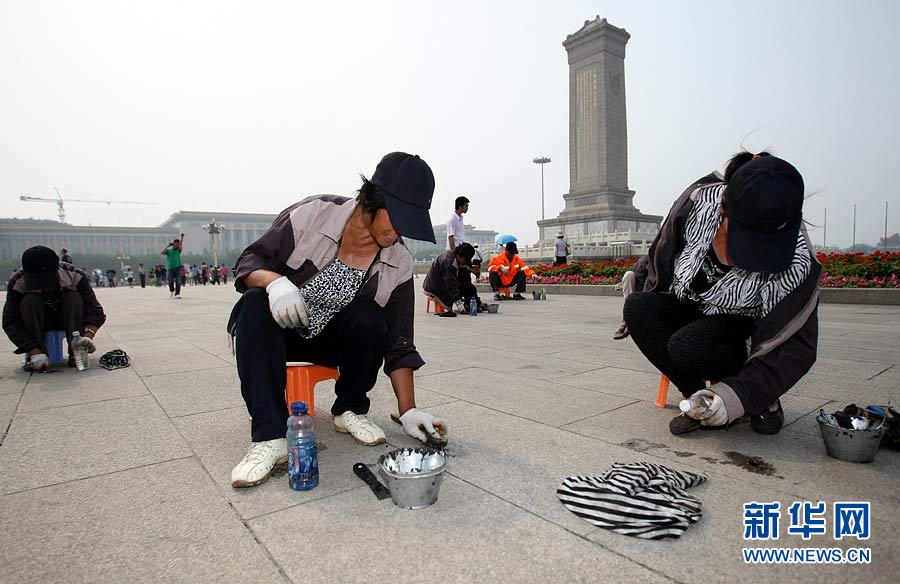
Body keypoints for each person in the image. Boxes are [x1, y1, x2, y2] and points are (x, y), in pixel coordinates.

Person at [227, 152, 448, 488]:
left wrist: (409, 411)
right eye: (399, 219)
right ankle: (270, 438)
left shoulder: (398, 260)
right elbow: (249, 260)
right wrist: (275, 283)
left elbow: (399, 341)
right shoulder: (314, 214)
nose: (402, 233)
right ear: (373, 199)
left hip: (330, 342)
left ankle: (349, 410)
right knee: (254, 303)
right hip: (278, 334)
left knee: (371, 317)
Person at [624, 153, 819, 437]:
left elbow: (794, 345)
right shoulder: (698, 205)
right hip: (691, 304)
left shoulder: (798, 260)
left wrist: (738, 395)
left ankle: (758, 395)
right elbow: (664, 252)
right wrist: (638, 276)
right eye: (749, 241)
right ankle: (699, 401)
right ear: (724, 208)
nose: (757, 255)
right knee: (639, 308)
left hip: (739, 325)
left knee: (688, 345)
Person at [3, 246, 105, 371]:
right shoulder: (17, 282)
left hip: (68, 319)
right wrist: (33, 351)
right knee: (30, 300)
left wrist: (88, 336)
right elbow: (10, 321)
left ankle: (77, 351)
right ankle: (39, 355)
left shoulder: (75, 276)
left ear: (57, 271)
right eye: (37, 283)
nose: (43, 287)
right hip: (37, 321)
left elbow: (96, 311)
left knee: (73, 296)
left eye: (47, 282)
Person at [423, 243, 482, 318]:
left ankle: (470, 305)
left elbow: (461, 269)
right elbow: (451, 283)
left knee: (468, 287)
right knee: (453, 294)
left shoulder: (453, 256)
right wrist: (459, 304)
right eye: (465, 260)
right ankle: (457, 307)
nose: (464, 262)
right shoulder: (450, 262)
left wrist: (470, 269)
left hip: (441, 283)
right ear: (459, 255)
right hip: (434, 287)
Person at [613, 255, 649, 340]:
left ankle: (628, 322)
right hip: (638, 288)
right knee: (628, 275)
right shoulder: (643, 262)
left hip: (651, 289)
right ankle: (628, 317)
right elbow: (641, 284)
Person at [161, 234, 185, 298]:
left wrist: (182, 237)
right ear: (173, 243)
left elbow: (181, 244)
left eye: (178, 244)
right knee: (170, 281)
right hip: (170, 269)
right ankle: (172, 290)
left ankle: (177, 294)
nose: (177, 245)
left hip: (178, 268)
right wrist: (167, 246)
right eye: (176, 243)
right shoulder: (169, 250)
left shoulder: (178, 250)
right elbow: (162, 253)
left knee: (178, 281)